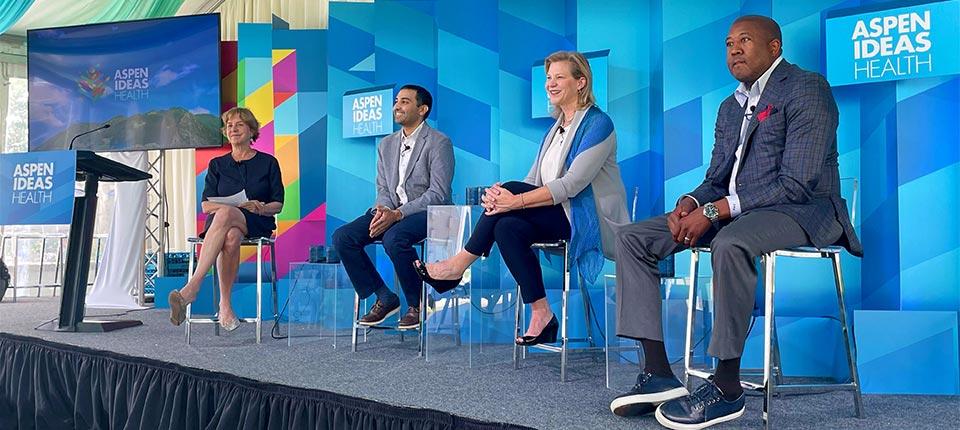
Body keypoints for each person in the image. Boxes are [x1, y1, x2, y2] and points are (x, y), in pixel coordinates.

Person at [608, 16, 862, 430]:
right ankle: (658, 374)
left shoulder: (806, 88)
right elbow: (716, 179)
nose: (735, 51)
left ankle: (726, 386)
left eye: (745, 41)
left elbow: (796, 183)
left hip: (804, 211)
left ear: (774, 47)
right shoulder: (731, 107)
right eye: (728, 44)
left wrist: (715, 212)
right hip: (742, 209)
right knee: (634, 238)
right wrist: (692, 202)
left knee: (731, 243)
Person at [415, 51, 629, 346]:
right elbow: (533, 181)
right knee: (506, 227)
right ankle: (541, 313)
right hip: (556, 215)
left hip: (586, 219)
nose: (550, 84)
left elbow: (572, 184)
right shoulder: (555, 129)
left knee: (512, 193)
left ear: (581, 83)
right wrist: (499, 196)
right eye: (548, 78)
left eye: (559, 77)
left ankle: (458, 264)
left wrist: (512, 200)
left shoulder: (598, 124)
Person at [332, 85, 454, 330]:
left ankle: (417, 305)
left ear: (422, 109)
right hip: (392, 211)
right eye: (396, 101)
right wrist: (384, 211)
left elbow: (438, 193)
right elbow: (384, 189)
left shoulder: (439, 142)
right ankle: (384, 296)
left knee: (394, 238)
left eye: (405, 102)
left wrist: (398, 214)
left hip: (427, 213)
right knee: (343, 237)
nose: (397, 106)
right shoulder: (386, 144)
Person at [168, 107, 284, 331]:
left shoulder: (269, 162)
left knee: (225, 215)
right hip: (224, 223)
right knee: (230, 236)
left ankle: (192, 287)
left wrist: (258, 208)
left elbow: (278, 204)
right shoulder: (217, 165)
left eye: (239, 125)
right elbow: (206, 205)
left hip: (257, 221)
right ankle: (226, 305)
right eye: (229, 126)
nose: (233, 129)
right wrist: (238, 205)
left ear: (252, 131)